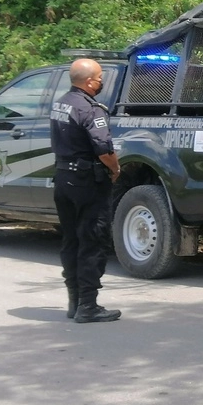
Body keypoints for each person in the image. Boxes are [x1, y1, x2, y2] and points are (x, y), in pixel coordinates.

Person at [50, 58, 122, 324]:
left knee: (71, 240)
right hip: (87, 182)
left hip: (63, 179)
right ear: (90, 81)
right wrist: (115, 169)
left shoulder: (61, 103)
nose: (102, 81)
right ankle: (88, 306)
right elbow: (103, 147)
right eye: (100, 77)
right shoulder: (91, 109)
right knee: (92, 240)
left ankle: (74, 301)